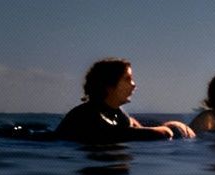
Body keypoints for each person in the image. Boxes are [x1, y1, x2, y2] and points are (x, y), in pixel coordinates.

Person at [55, 58, 197, 142]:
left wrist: (175, 125)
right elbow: (161, 134)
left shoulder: (115, 113)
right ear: (109, 86)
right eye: (127, 79)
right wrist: (169, 129)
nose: (134, 84)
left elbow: (134, 126)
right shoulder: (90, 115)